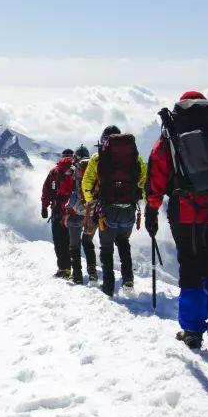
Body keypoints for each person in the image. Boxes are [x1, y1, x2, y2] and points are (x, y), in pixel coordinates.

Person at [145, 91, 208, 349]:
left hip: (185, 213)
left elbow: (156, 179)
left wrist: (152, 211)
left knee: (190, 267)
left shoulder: (169, 138)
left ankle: (193, 330)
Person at [82, 126, 147, 296]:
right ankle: (128, 281)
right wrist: (138, 197)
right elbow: (144, 179)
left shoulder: (98, 158)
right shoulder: (135, 157)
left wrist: (91, 202)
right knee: (124, 244)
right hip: (129, 208)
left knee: (106, 248)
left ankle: (109, 287)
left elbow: (87, 183)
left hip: (106, 209)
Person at [64, 145, 97, 284]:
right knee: (88, 242)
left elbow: (69, 191)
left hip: (76, 211)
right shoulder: (94, 167)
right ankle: (93, 273)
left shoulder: (73, 170)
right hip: (92, 211)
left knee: (74, 245)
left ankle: (77, 276)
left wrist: (68, 207)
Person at [41, 148, 77, 278]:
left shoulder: (55, 172)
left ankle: (64, 269)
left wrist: (44, 207)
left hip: (58, 211)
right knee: (72, 241)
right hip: (74, 211)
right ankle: (76, 270)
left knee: (59, 241)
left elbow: (47, 191)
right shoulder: (77, 171)